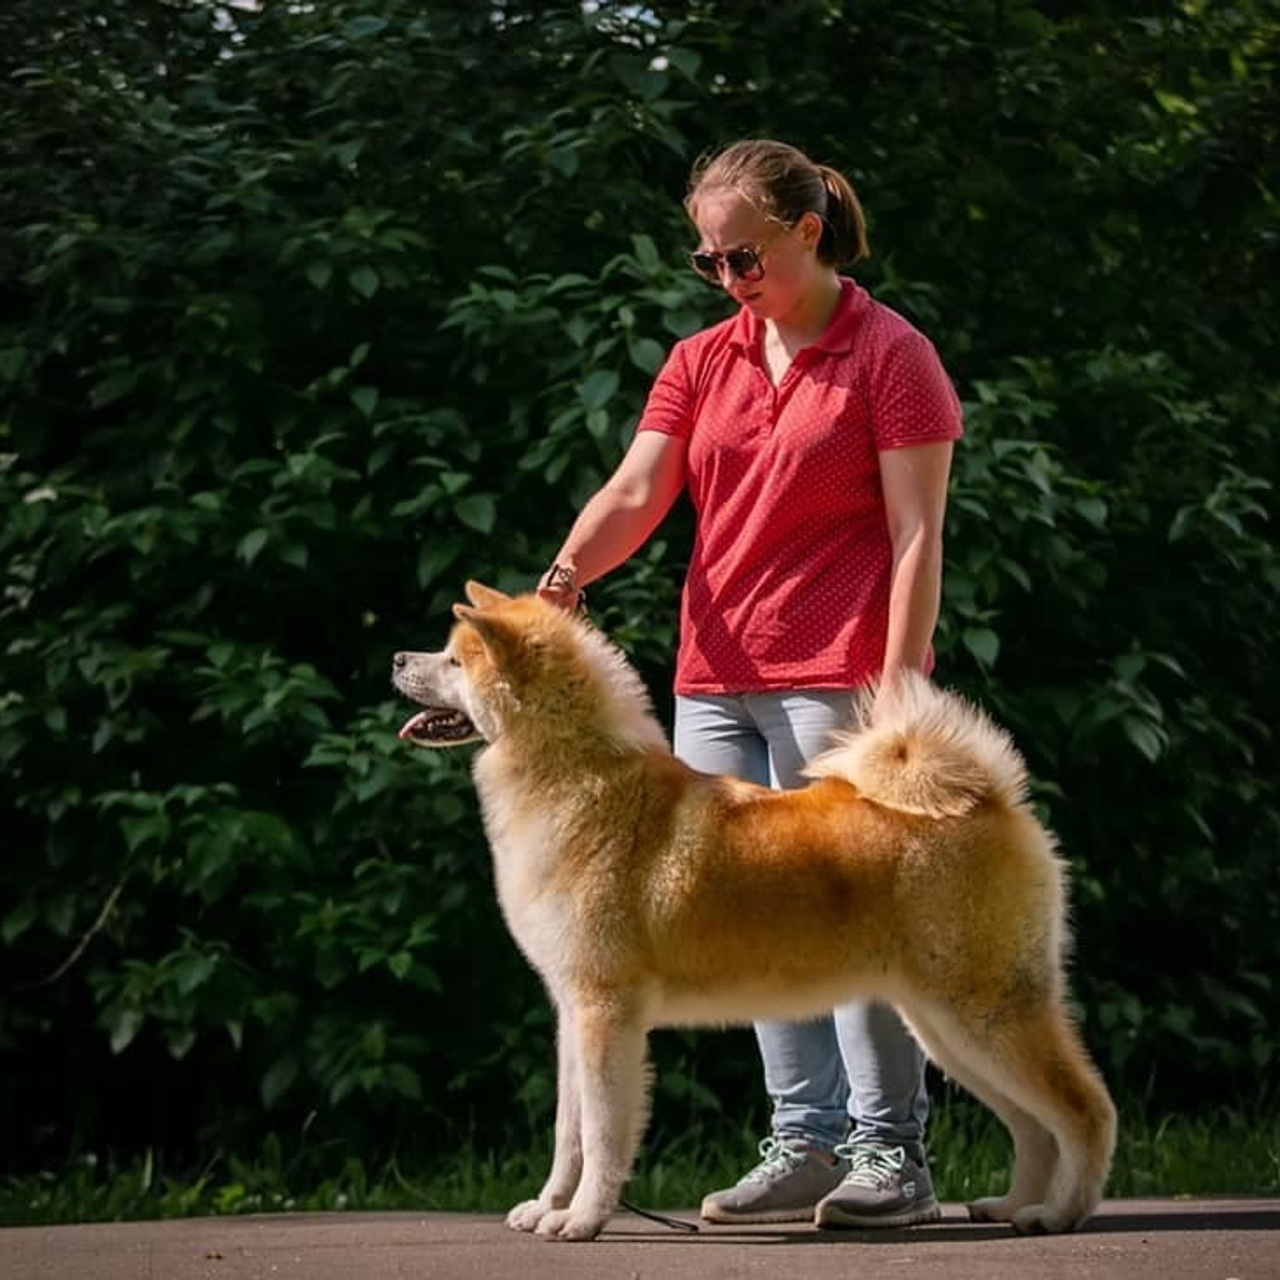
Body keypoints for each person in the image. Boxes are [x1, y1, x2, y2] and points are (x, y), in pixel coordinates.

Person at [537, 138, 963, 1230]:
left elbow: (916, 534)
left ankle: (891, 1152)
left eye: (743, 257)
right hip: (713, 676)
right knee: (743, 915)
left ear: (806, 233)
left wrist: (899, 685)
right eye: (708, 262)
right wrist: (566, 574)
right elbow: (639, 487)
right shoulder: (701, 359)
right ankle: (804, 1137)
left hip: (839, 678)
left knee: (852, 911)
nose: (727, 279)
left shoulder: (889, 354)